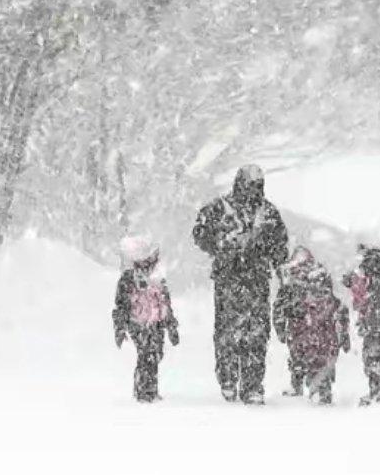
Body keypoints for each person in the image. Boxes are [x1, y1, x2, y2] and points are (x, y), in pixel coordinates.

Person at [192, 165, 289, 404]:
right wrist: (221, 247)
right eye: (251, 184)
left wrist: (279, 269)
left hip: (256, 282)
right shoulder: (220, 208)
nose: (254, 189)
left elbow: (280, 246)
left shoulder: (267, 213)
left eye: (258, 184)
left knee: (256, 335)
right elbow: (199, 233)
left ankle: (252, 384)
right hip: (229, 280)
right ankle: (228, 379)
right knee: (227, 333)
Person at [275, 246, 350, 405]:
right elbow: (337, 305)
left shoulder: (291, 278)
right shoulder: (321, 276)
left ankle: (299, 386)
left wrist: (280, 327)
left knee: (298, 357)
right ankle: (322, 391)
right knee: (322, 361)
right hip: (324, 331)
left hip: (299, 329)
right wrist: (343, 334)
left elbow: (280, 306)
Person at [112, 236, 179, 403]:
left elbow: (165, 303)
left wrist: (171, 326)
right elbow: (121, 305)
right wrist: (120, 327)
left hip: (156, 322)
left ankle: (151, 389)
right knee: (146, 353)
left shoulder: (158, 278)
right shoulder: (129, 278)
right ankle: (143, 390)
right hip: (137, 322)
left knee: (156, 353)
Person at [343, 243, 380, 406]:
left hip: (375, 317)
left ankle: (379, 393)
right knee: (377, 353)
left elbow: (366, 292)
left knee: (372, 354)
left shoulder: (374, 269)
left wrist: (354, 282)